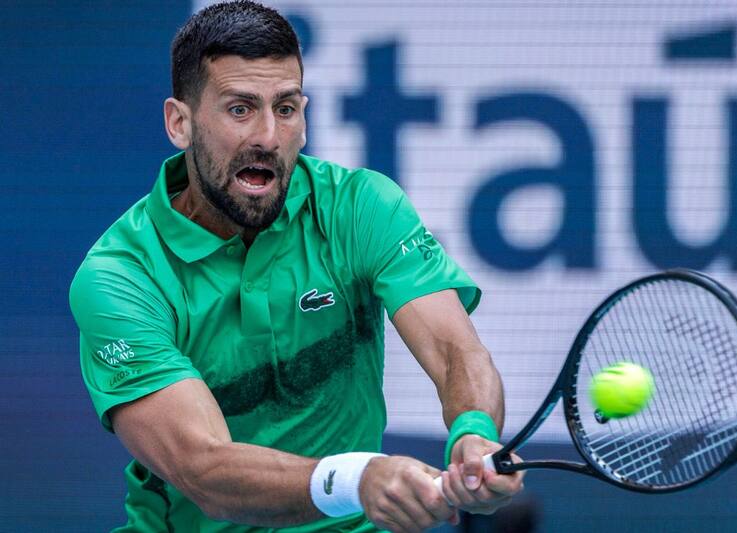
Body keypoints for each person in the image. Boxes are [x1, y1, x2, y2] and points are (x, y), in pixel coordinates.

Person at [69, 2, 524, 531]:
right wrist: (357, 479)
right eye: (240, 109)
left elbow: (455, 351)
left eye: (285, 109)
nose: (267, 136)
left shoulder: (359, 207)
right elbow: (204, 468)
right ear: (180, 123)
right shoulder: (120, 279)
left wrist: (472, 432)